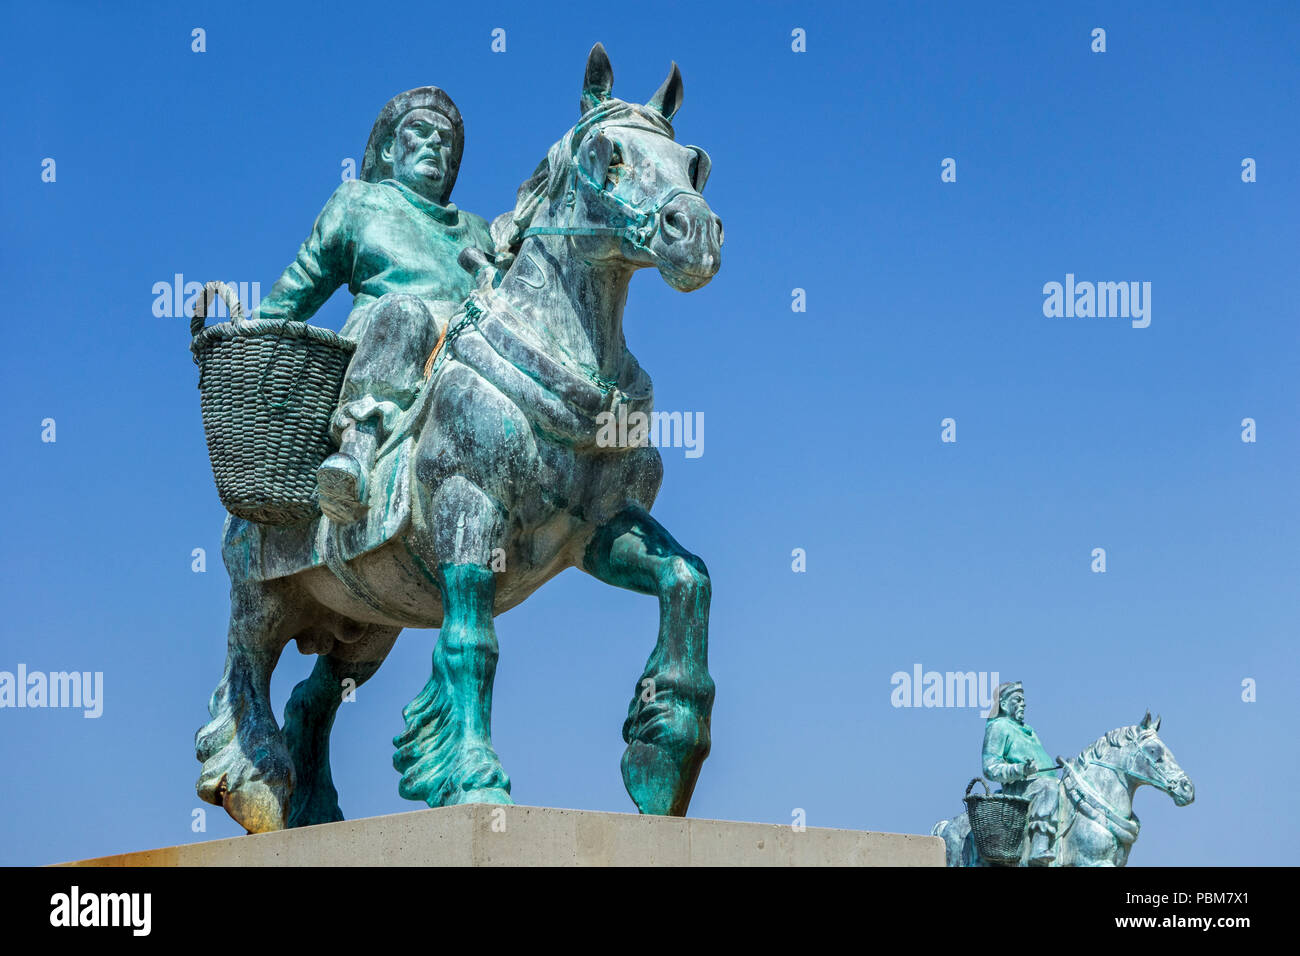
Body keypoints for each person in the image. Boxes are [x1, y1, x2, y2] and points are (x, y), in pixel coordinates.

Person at [248, 87, 493, 523]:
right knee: (405, 312)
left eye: (446, 140)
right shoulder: (359, 201)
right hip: (385, 343)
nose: (435, 142)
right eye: (419, 130)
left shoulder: (478, 231)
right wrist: (254, 337)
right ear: (387, 148)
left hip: (459, 356)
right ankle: (358, 450)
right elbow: (304, 280)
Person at [982, 681, 1061, 865]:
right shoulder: (998, 727)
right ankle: (1039, 846)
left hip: (1040, 786)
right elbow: (990, 768)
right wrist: (1020, 769)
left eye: (1023, 701)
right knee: (1048, 787)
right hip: (1019, 790)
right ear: (1002, 704)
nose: (1023, 704)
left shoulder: (1029, 731)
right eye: (1017, 700)